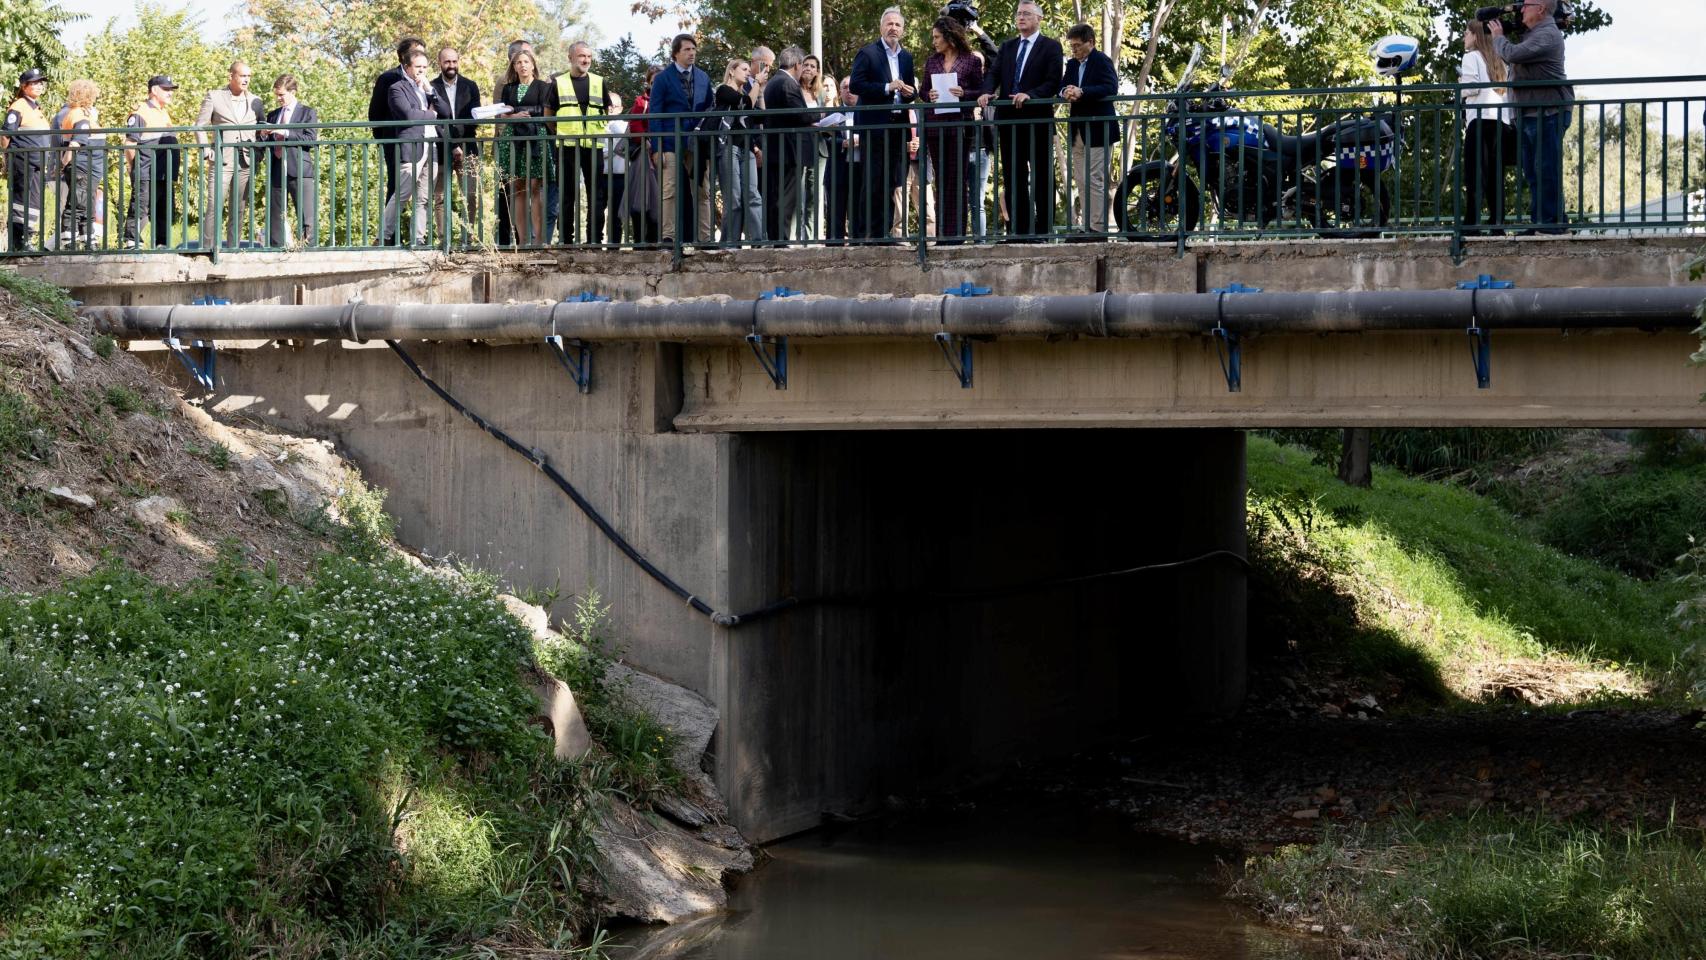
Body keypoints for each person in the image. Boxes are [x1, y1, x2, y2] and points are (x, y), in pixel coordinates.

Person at [979, 0, 1062, 241]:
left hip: (1037, 120)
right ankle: (1020, 230)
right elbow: (994, 73)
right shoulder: (1008, 46)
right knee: (1014, 176)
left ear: (1039, 19)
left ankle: (1044, 230)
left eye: (1026, 14)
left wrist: (1031, 95)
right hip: (1009, 121)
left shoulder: (1051, 46)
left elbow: (1053, 80)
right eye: (1018, 14)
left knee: (1042, 175)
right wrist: (986, 91)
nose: (1021, 17)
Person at [1489, 0, 1571, 234]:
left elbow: (1513, 54)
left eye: (1526, 5)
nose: (1521, 10)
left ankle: (1551, 224)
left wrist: (1498, 36)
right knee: (1534, 171)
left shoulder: (1547, 34)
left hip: (1548, 111)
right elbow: (1515, 60)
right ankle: (1544, 221)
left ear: (1541, 9)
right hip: (1530, 112)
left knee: (1545, 169)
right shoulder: (1533, 34)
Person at [849, 7, 917, 240]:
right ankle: (865, 234)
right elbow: (856, 85)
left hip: (897, 126)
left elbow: (909, 92)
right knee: (872, 179)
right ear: (881, 27)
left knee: (891, 182)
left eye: (897, 25)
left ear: (903, 30)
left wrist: (910, 92)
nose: (893, 28)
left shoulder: (906, 57)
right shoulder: (868, 53)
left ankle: (883, 233)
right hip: (874, 125)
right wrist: (887, 87)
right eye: (889, 24)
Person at [648, 34, 715, 245]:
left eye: (694, 49)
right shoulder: (662, 79)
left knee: (703, 192)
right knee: (669, 191)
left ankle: (705, 238)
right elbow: (655, 114)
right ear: (676, 53)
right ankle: (669, 237)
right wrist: (657, 148)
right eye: (687, 49)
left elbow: (710, 111)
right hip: (670, 142)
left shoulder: (703, 77)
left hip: (697, 143)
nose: (692, 52)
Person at [922, 16, 983, 241]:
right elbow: (923, 91)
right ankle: (942, 235)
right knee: (941, 179)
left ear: (949, 36)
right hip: (936, 127)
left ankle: (957, 233)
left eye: (937, 37)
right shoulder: (932, 61)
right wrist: (929, 95)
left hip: (960, 126)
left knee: (958, 180)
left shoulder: (971, 61)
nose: (934, 41)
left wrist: (964, 94)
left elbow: (980, 91)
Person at [195, 60, 264, 249]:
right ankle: (208, 249)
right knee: (214, 205)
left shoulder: (256, 101)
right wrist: (205, 149)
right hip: (221, 159)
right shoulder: (214, 96)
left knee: (239, 208)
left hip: (246, 160)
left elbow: (263, 129)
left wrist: (257, 153)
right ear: (231, 76)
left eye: (249, 76)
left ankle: (233, 249)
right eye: (242, 76)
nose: (246, 80)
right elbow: (199, 125)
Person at [381, 52, 447, 247]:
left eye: (425, 67)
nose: (422, 71)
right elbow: (408, 115)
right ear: (407, 67)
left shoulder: (427, 90)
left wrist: (430, 90)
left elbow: (445, 112)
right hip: (411, 147)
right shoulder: (397, 88)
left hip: (430, 146)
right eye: (418, 67)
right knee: (402, 194)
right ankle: (383, 235)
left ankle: (418, 239)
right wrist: (431, 114)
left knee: (424, 198)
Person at [552, 41, 615, 245]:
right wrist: (562, 132)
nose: (586, 60)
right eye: (581, 56)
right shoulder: (558, 82)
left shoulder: (599, 81)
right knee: (567, 195)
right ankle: (566, 241)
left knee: (596, 195)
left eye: (588, 56)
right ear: (570, 58)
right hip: (567, 147)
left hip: (593, 145)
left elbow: (606, 110)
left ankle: (594, 241)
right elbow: (548, 115)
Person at [1060, 23, 1116, 238]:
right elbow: (1063, 85)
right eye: (1071, 46)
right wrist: (1067, 91)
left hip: (1098, 128)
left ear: (1090, 42)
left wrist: (1083, 92)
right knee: (1081, 180)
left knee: (1095, 178)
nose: (1074, 50)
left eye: (1077, 45)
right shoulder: (1072, 64)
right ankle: (1086, 227)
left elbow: (1110, 87)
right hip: (1078, 130)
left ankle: (1098, 228)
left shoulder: (1102, 60)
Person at [1458, 21, 1515, 235]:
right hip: (1500, 122)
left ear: (1475, 36)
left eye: (1466, 33)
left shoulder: (1471, 57)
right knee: (1495, 175)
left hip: (1480, 120)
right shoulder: (1499, 60)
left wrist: (1460, 85)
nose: (1464, 37)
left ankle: (1472, 223)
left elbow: (1472, 87)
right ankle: (1497, 222)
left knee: (1475, 173)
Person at [497, 49, 554, 246]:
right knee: (517, 188)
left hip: (535, 136)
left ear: (533, 65)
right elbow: (502, 114)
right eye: (518, 62)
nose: (522, 65)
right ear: (513, 66)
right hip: (513, 138)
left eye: (526, 61)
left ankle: (539, 240)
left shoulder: (543, 86)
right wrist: (513, 116)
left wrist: (518, 112)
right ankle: (521, 241)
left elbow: (544, 111)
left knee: (535, 187)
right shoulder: (508, 88)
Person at [121, 75, 180, 249]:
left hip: (164, 171)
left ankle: (162, 244)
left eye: (171, 90)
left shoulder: (163, 111)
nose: (170, 93)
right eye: (166, 89)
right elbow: (129, 144)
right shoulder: (141, 112)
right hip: (147, 170)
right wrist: (134, 168)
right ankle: (131, 242)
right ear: (154, 90)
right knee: (141, 206)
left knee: (163, 208)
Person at [432, 47, 483, 244]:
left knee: (470, 195)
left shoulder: (470, 85)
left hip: (468, 145)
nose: (451, 65)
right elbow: (435, 121)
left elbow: (475, 115)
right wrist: (452, 144)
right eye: (447, 62)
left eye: (454, 61)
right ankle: (445, 241)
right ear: (440, 63)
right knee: (440, 197)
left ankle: (467, 238)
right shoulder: (431, 87)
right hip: (441, 146)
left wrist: (460, 143)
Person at [761, 46, 810, 244]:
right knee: (786, 198)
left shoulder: (773, 81)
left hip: (776, 148)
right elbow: (800, 114)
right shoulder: (787, 83)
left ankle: (776, 238)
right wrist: (821, 115)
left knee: (777, 196)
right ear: (797, 64)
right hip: (789, 149)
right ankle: (780, 239)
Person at [261, 74, 318, 247]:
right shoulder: (273, 115)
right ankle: (276, 250)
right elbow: (268, 143)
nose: (278, 99)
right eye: (276, 95)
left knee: (306, 216)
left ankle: (308, 252)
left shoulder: (307, 112)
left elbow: (310, 139)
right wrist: (263, 135)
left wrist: (283, 131)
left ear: (293, 92)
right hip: (276, 168)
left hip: (299, 169)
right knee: (276, 215)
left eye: (281, 95)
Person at [715, 59, 764, 246]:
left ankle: (758, 241)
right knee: (733, 198)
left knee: (753, 195)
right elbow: (744, 104)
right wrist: (757, 83)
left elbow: (760, 113)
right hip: (729, 148)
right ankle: (730, 243)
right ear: (731, 72)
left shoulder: (748, 92)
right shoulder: (723, 91)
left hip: (746, 150)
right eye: (743, 69)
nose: (748, 73)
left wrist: (760, 88)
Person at [369, 38, 426, 200]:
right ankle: (389, 226)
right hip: (396, 142)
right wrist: (386, 141)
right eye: (415, 53)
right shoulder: (388, 78)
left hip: (422, 142)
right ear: (402, 56)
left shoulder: (424, 80)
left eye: (421, 53)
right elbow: (375, 114)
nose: (419, 56)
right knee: (397, 188)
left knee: (422, 192)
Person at [4, 69, 53, 251]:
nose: (40, 86)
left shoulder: (35, 106)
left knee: (33, 201)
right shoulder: (18, 106)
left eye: (41, 83)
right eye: (35, 83)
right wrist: (6, 155)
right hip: (22, 159)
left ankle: (27, 237)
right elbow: (6, 134)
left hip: (37, 162)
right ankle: (18, 241)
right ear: (24, 87)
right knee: (21, 199)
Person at [494, 38, 534, 246]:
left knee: (531, 190)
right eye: (522, 57)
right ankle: (505, 240)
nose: (526, 62)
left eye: (529, 57)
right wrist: (503, 140)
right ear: (512, 59)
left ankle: (527, 239)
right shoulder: (504, 81)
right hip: (509, 140)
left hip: (530, 140)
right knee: (508, 192)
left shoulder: (537, 81)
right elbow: (500, 113)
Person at [55, 79, 104, 249]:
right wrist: (64, 163)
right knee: (78, 203)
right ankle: (70, 242)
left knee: (86, 203)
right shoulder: (79, 115)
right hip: (83, 166)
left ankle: (87, 239)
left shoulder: (80, 113)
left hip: (88, 167)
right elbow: (75, 143)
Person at [626, 65, 661, 244]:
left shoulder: (669, 100)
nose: (657, 85)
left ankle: (656, 241)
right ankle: (640, 242)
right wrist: (645, 140)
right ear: (648, 83)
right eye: (654, 82)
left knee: (662, 199)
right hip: (645, 155)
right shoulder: (642, 101)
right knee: (641, 199)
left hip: (665, 152)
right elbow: (635, 124)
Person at [825, 76, 862, 242]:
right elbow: (823, 139)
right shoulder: (832, 113)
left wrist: (864, 140)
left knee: (859, 211)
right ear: (840, 92)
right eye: (845, 87)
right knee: (835, 212)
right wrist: (843, 143)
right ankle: (834, 247)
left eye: (851, 87)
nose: (849, 90)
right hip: (838, 168)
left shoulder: (867, 112)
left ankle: (858, 245)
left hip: (861, 168)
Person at [796, 54, 826, 240]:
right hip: (799, 146)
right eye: (805, 65)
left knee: (814, 196)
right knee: (798, 194)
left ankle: (811, 238)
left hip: (819, 147)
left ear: (817, 71)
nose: (808, 68)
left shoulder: (819, 94)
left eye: (813, 66)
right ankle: (796, 239)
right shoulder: (794, 90)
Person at [597, 91, 629, 244]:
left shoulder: (624, 127)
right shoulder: (596, 125)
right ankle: (595, 243)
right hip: (600, 175)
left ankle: (614, 245)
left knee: (617, 214)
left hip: (620, 175)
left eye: (613, 106)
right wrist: (614, 148)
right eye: (607, 105)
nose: (610, 109)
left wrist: (611, 149)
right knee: (597, 211)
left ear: (620, 109)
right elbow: (598, 150)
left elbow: (625, 149)